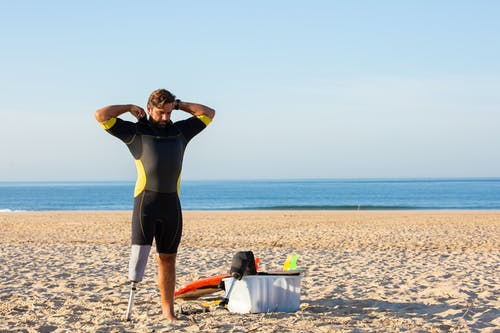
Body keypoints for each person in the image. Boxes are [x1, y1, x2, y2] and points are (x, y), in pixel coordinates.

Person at [94, 89, 215, 321]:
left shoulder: (181, 131)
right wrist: (129, 106)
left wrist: (178, 105)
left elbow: (208, 113)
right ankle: (130, 304)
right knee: (139, 256)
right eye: (161, 113)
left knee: (168, 258)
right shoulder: (135, 131)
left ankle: (167, 311)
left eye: (169, 113)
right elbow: (101, 115)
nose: (165, 118)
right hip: (145, 205)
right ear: (149, 109)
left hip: (171, 205)